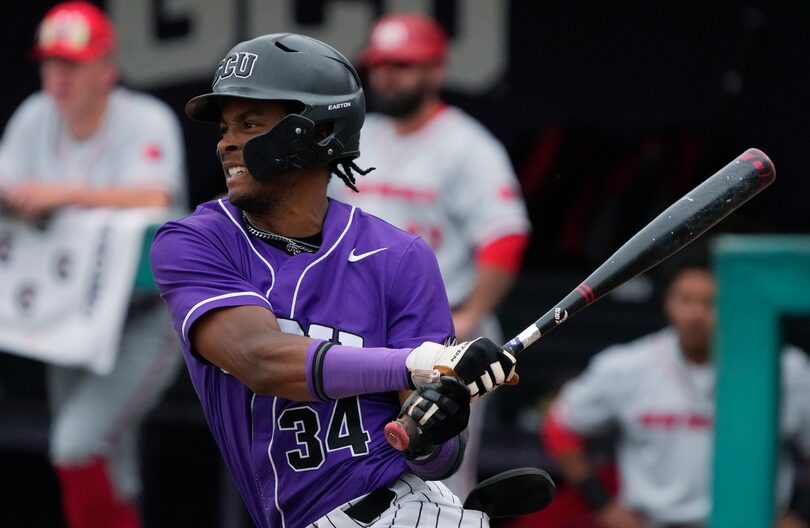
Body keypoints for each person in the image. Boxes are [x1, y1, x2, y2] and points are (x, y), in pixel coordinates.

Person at [149, 32, 519, 528]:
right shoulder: (195, 242)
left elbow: (435, 459)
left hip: (401, 510)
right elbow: (259, 359)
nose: (225, 142)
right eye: (224, 127)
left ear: (315, 130)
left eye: (250, 123)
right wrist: (417, 364)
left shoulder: (401, 257)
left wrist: (434, 426)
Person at [329, 12, 531, 498]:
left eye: (403, 64)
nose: (388, 75)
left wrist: (471, 314)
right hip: (358, 331)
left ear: (436, 70)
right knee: (354, 465)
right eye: (380, 64)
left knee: (436, 478)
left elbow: (504, 235)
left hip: (438, 330)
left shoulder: (467, 145)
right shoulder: (360, 136)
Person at [0, 2, 186, 527]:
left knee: (74, 444)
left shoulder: (146, 117)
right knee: (107, 464)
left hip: (144, 314)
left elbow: (156, 199)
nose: (58, 75)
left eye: (73, 63)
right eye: (51, 61)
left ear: (106, 67)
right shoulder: (35, 115)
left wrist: (61, 194)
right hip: (71, 315)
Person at [539, 246, 810, 528]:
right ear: (668, 301)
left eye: (710, 302)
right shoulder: (626, 366)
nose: (695, 315)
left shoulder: (786, 367)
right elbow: (560, 426)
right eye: (685, 299)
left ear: (734, 303)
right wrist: (604, 506)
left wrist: (801, 516)